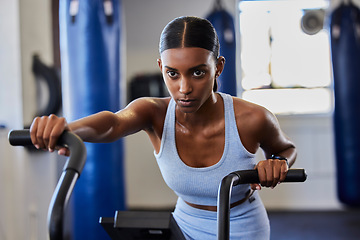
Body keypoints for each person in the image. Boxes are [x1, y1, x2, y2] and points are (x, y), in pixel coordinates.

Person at [29, 16, 296, 239]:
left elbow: (286, 149)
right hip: (182, 227)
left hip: (241, 228)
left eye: (198, 72)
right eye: (173, 73)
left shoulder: (252, 118)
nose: (184, 88)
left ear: (218, 68)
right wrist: (68, 129)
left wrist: (277, 162)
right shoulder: (154, 113)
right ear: (161, 68)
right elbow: (113, 123)